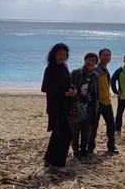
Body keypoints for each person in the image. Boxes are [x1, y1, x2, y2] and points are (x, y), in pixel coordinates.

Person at [41, 42, 77, 172]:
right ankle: (59, 164)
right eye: (59, 54)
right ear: (53, 55)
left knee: (58, 132)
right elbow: (46, 88)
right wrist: (64, 93)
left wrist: (73, 89)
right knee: (66, 133)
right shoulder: (50, 69)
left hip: (66, 104)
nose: (62, 56)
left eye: (64, 54)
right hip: (55, 105)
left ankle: (49, 159)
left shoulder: (65, 66)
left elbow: (69, 81)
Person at [87, 48, 119, 154]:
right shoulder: (96, 69)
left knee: (111, 124)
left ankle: (111, 146)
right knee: (94, 125)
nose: (107, 57)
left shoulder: (105, 69)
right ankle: (90, 147)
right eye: (104, 55)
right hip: (97, 102)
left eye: (109, 55)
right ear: (99, 57)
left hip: (107, 101)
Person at [69, 52, 99, 159]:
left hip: (90, 106)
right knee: (75, 129)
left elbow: (97, 92)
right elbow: (69, 86)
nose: (90, 62)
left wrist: (96, 103)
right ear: (85, 60)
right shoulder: (76, 73)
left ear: (96, 63)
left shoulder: (96, 76)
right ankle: (76, 150)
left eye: (93, 61)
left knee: (87, 130)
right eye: (89, 59)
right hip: (77, 105)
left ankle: (83, 149)